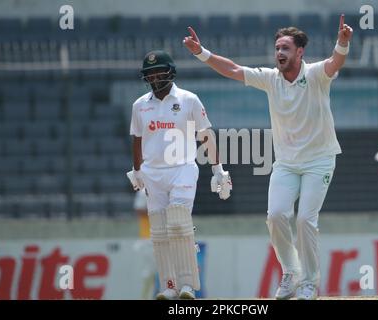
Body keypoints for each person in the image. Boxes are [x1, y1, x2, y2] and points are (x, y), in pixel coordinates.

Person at [183, 15, 353, 300]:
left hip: (319, 160)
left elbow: (335, 62)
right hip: (286, 163)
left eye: (285, 48)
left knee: (305, 221)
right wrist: (202, 53)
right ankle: (291, 272)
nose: (279, 53)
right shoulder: (271, 79)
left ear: (300, 52)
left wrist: (343, 43)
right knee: (275, 216)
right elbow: (234, 69)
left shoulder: (314, 75)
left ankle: (310, 282)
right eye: (277, 48)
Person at [129, 50, 232, 300]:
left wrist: (218, 170)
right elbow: (137, 139)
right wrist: (137, 170)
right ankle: (169, 286)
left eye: (158, 72)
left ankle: (187, 286)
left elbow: (206, 135)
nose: (154, 77)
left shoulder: (189, 100)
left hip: (183, 168)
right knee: (160, 231)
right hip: (153, 173)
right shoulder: (140, 105)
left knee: (178, 223)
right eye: (150, 73)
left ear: (170, 72)